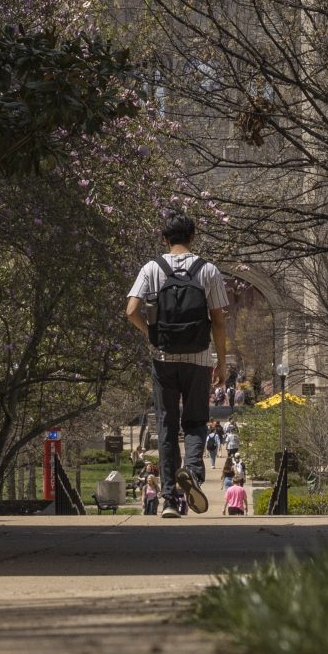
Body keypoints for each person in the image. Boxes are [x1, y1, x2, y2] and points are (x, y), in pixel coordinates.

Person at [126, 212, 231, 520]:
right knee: (197, 421)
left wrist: (153, 334)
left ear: (164, 239)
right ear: (193, 237)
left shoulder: (152, 268)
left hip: (163, 359)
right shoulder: (208, 270)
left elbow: (131, 310)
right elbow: (220, 321)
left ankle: (170, 500)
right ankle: (194, 474)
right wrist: (221, 364)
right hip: (198, 359)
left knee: (167, 426)